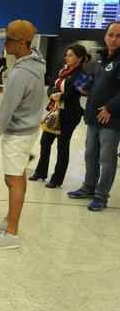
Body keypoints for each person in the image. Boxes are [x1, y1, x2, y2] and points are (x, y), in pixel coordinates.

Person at [0, 19, 46, 250]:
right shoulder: (37, 62)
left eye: (10, 41)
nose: (5, 45)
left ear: (23, 43)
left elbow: (3, 116)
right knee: (17, 177)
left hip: (18, 134)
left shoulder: (20, 74)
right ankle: (9, 221)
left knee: (13, 181)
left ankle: (11, 234)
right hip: (28, 130)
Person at [68, 22, 120, 211]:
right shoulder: (101, 60)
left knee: (107, 159)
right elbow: (98, 86)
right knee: (90, 155)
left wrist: (110, 108)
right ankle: (89, 187)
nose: (114, 39)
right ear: (105, 36)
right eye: (111, 34)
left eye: (118, 36)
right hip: (93, 117)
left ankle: (101, 195)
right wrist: (86, 89)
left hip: (111, 120)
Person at [30, 44, 92, 188]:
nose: (66, 57)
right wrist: (52, 93)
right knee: (45, 141)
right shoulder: (63, 70)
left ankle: (57, 179)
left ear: (80, 58)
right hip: (55, 112)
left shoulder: (82, 75)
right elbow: (52, 85)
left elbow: (73, 93)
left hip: (70, 115)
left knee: (62, 146)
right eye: (66, 55)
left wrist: (60, 96)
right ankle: (41, 172)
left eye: (70, 55)